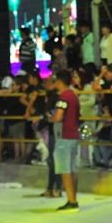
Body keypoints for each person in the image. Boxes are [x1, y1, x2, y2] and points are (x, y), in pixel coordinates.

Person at [50, 70, 81, 211]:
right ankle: (74, 198)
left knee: (65, 170)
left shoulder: (63, 97)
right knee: (72, 169)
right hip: (74, 135)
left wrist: (49, 118)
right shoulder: (73, 95)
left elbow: (58, 117)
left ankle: (71, 201)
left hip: (64, 136)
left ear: (60, 82)